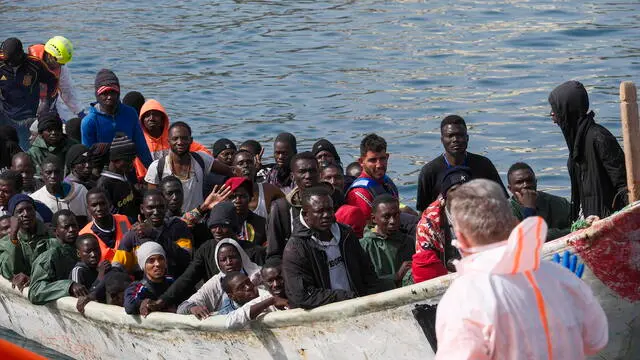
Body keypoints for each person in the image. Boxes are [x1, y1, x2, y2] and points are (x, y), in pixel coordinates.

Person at [434, 179, 608, 359]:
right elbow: (596, 341)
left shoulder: (463, 297)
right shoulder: (563, 278)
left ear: (460, 238)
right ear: (515, 223)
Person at [282, 186, 382, 309]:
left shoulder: (346, 233)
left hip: (359, 305)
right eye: (320, 211)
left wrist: (370, 299)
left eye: (330, 210)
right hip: (327, 313)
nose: (327, 215)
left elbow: (368, 272)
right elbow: (301, 296)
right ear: (305, 214)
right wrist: (344, 297)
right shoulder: (296, 249)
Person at [549, 80, 627, 219]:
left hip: (607, 223)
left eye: (555, 110)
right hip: (587, 223)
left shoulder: (599, 138)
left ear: (568, 109)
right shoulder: (576, 145)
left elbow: (624, 186)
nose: (553, 116)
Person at [416, 115, 506, 212]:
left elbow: (502, 202)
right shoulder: (429, 171)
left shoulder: (484, 165)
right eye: (450, 136)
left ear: (467, 138)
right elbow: (423, 212)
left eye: (459, 135)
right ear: (442, 140)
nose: (455, 140)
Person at [80, 69, 152, 168]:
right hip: (101, 170)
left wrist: (153, 171)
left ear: (118, 93)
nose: (109, 97)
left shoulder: (130, 113)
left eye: (113, 92)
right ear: (97, 95)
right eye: (104, 93)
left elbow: (142, 148)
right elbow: (88, 156)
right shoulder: (89, 122)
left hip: (127, 168)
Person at [112, 190, 192, 278]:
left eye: (160, 207)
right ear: (142, 209)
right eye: (150, 207)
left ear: (166, 207)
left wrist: (153, 233)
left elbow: (185, 259)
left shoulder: (178, 227)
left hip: (177, 285)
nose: (156, 212)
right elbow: (116, 270)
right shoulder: (132, 235)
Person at [176, 238, 261, 319]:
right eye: (223, 260)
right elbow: (181, 308)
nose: (228, 263)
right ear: (218, 263)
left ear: (241, 257)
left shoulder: (258, 276)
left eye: (232, 257)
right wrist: (193, 308)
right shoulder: (216, 283)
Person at [413, 167, 471, 283]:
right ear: (445, 195)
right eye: (454, 190)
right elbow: (426, 268)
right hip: (443, 276)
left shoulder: (486, 213)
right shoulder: (428, 224)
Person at [267, 152, 329, 259]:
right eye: (302, 172)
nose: (308, 176)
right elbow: (274, 254)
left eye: (312, 171)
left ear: (319, 173)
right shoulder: (281, 208)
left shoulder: (333, 198)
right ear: (292, 176)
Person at [0, 37, 58, 150]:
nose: (8, 63)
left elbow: (53, 81)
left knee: (26, 148)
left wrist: (46, 101)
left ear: (20, 54)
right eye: (6, 60)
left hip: (29, 117)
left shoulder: (35, 64)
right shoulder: (2, 62)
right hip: (5, 114)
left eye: (11, 60)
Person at [144, 122, 215, 212]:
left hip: (198, 219)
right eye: (175, 139)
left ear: (191, 140)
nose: (180, 142)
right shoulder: (156, 167)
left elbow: (230, 171)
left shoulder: (202, 159)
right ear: (168, 141)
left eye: (184, 138)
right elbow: (152, 201)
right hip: (170, 222)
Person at [28, 210, 88, 305]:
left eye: (74, 225)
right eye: (66, 227)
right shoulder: (49, 255)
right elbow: (35, 292)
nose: (71, 229)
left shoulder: (83, 248)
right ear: (55, 231)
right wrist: (68, 286)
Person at [0, 194, 54, 291]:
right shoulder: (5, 243)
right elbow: (9, 271)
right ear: (13, 217)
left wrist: (34, 279)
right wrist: (13, 237)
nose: (26, 214)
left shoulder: (51, 234)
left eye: (29, 209)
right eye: (20, 211)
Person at [360, 195, 414, 289]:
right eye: (386, 217)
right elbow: (364, 283)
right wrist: (396, 276)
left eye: (396, 215)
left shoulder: (408, 241)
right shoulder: (363, 246)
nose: (393, 221)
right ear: (374, 219)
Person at [507, 162, 572, 240]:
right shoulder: (504, 212)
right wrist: (529, 208)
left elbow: (578, 227)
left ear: (536, 182)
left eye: (529, 180)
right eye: (519, 182)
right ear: (510, 188)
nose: (526, 185)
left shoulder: (560, 203)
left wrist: (548, 234)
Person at [27, 36, 84, 121]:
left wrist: (80, 112)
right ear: (50, 55)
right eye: (59, 63)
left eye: (63, 63)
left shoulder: (61, 67)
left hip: (50, 102)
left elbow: (67, 91)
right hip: (27, 104)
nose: (61, 66)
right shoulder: (29, 63)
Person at [345, 134, 399, 220]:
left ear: (387, 157)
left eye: (382, 158)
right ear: (361, 161)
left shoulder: (387, 181)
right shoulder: (359, 192)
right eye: (373, 160)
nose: (379, 165)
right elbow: (365, 228)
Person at [138, 99, 211, 161]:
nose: (151, 118)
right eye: (147, 115)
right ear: (142, 120)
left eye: (155, 115)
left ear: (163, 119)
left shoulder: (175, 138)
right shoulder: (139, 142)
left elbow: (206, 154)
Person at [29, 155, 88, 225]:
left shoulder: (80, 191)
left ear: (62, 173)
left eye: (57, 172)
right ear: (42, 175)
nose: (53, 176)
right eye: (48, 172)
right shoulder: (36, 199)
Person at [95, 135, 141, 222]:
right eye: (128, 161)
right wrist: (127, 227)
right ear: (115, 160)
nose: (132, 165)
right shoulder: (104, 184)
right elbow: (112, 214)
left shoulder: (123, 175)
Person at [220, 271, 288, 329]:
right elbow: (230, 323)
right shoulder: (227, 308)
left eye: (248, 282)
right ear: (231, 296)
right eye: (241, 287)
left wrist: (271, 300)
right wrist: (270, 301)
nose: (248, 287)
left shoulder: (267, 294)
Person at [79, 188, 131, 263]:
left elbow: (130, 243)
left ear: (109, 203)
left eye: (102, 203)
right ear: (88, 208)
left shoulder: (123, 221)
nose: (99, 208)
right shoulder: (85, 234)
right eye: (94, 205)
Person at [124, 242, 175, 315]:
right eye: (151, 260)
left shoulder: (172, 282)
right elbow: (129, 306)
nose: (157, 264)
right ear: (143, 266)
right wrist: (144, 302)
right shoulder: (137, 287)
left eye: (161, 258)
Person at [232, 150, 284, 219]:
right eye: (241, 163)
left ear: (255, 166)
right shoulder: (227, 194)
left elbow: (288, 205)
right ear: (233, 170)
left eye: (249, 162)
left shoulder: (268, 189)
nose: (246, 166)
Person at [224, 177, 267, 246]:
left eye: (242, 196)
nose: (237, 200)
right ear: (225, 199)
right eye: (232, 197)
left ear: (250, 198)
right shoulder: (219, 224)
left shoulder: (262, 223)